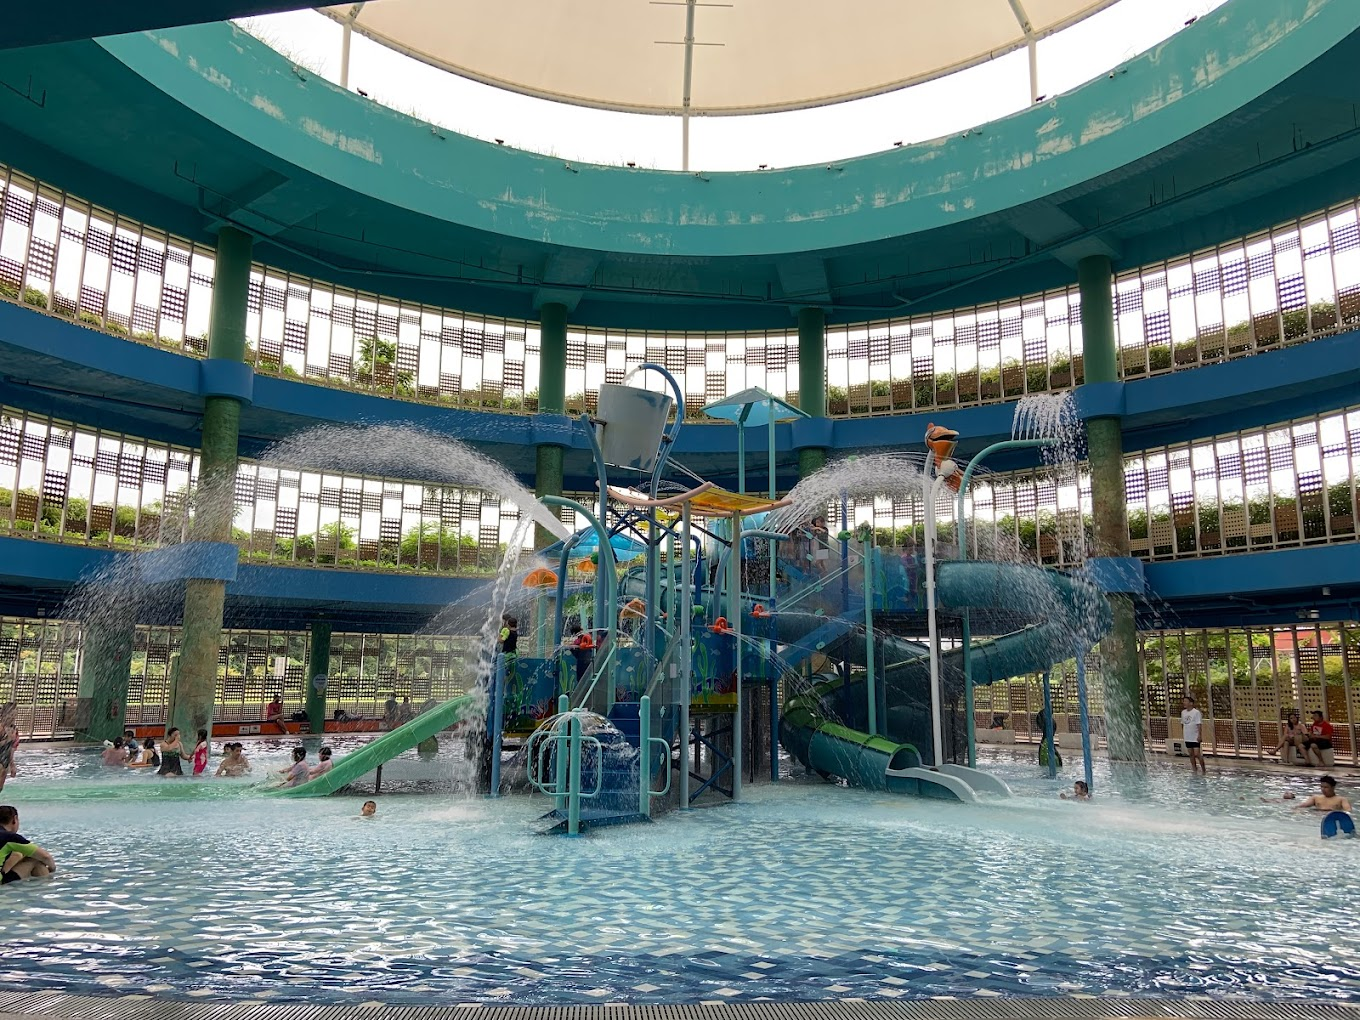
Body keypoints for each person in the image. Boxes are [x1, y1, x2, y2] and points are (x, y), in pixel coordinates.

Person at [0, 805, 56, 883]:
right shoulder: (10, 837)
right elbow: (46, 857)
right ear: (15, 819)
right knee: (35, 859)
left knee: (18, 854)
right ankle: (47, 886)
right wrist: (52, 870)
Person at [1180, 695, 1206, 774]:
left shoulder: (1196, 712)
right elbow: (1182, 723)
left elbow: (1199, 724)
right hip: (1187, 736)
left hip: (1194, 736)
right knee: (1191, 754)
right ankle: (1194, 769)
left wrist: (1199, 735)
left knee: (1197, 754)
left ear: (1191, 703)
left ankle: (1203, 769)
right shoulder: (1183, 712)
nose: (1184, 703)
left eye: (1186, 701)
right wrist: (1184, 732)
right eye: (1184, 701)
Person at [0, 703, 18, 791]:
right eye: (12, 715)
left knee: (0, 787)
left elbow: (11, 748)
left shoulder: (13, 729)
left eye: (15, 714)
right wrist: (7, 740)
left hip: (5, 760)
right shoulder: (1, 728)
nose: (13, 717)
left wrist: (12, 765)